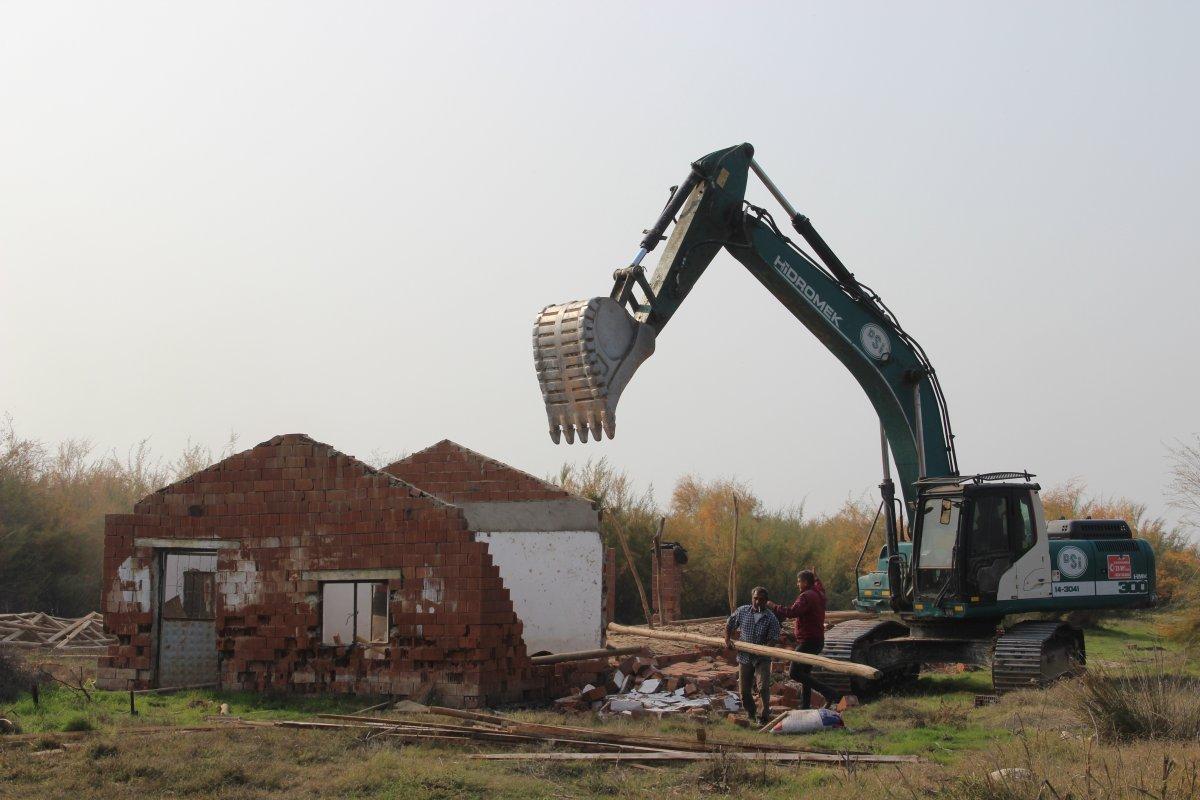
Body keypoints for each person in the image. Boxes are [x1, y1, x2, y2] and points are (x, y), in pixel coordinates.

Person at [768, 568, 842, 709]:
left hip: (808, 641)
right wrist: (817, 577)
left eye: (799, 581)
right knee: (805, 673)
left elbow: (792, 612)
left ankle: (829, 692)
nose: (797, 584)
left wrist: (773, 606)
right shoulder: (818, 593)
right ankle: (805, 706)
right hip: (817, 640)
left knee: (794, 672)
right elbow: (820, 586)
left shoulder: (806, 597)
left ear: (806, 582)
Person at [725, 586, 781, 724]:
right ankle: (750, 713)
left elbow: (774, 638)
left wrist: (764, 650)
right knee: (744, 690)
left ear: (766, 601)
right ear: (752, 598)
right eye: (755, 598)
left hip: (762, 658)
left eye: (761, 600)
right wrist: (727, 639)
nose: (757, 602)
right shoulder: (743, 611)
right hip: (744, 656)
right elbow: (730, 624)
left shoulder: (771, 618)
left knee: (762, 687)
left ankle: (763, 716)